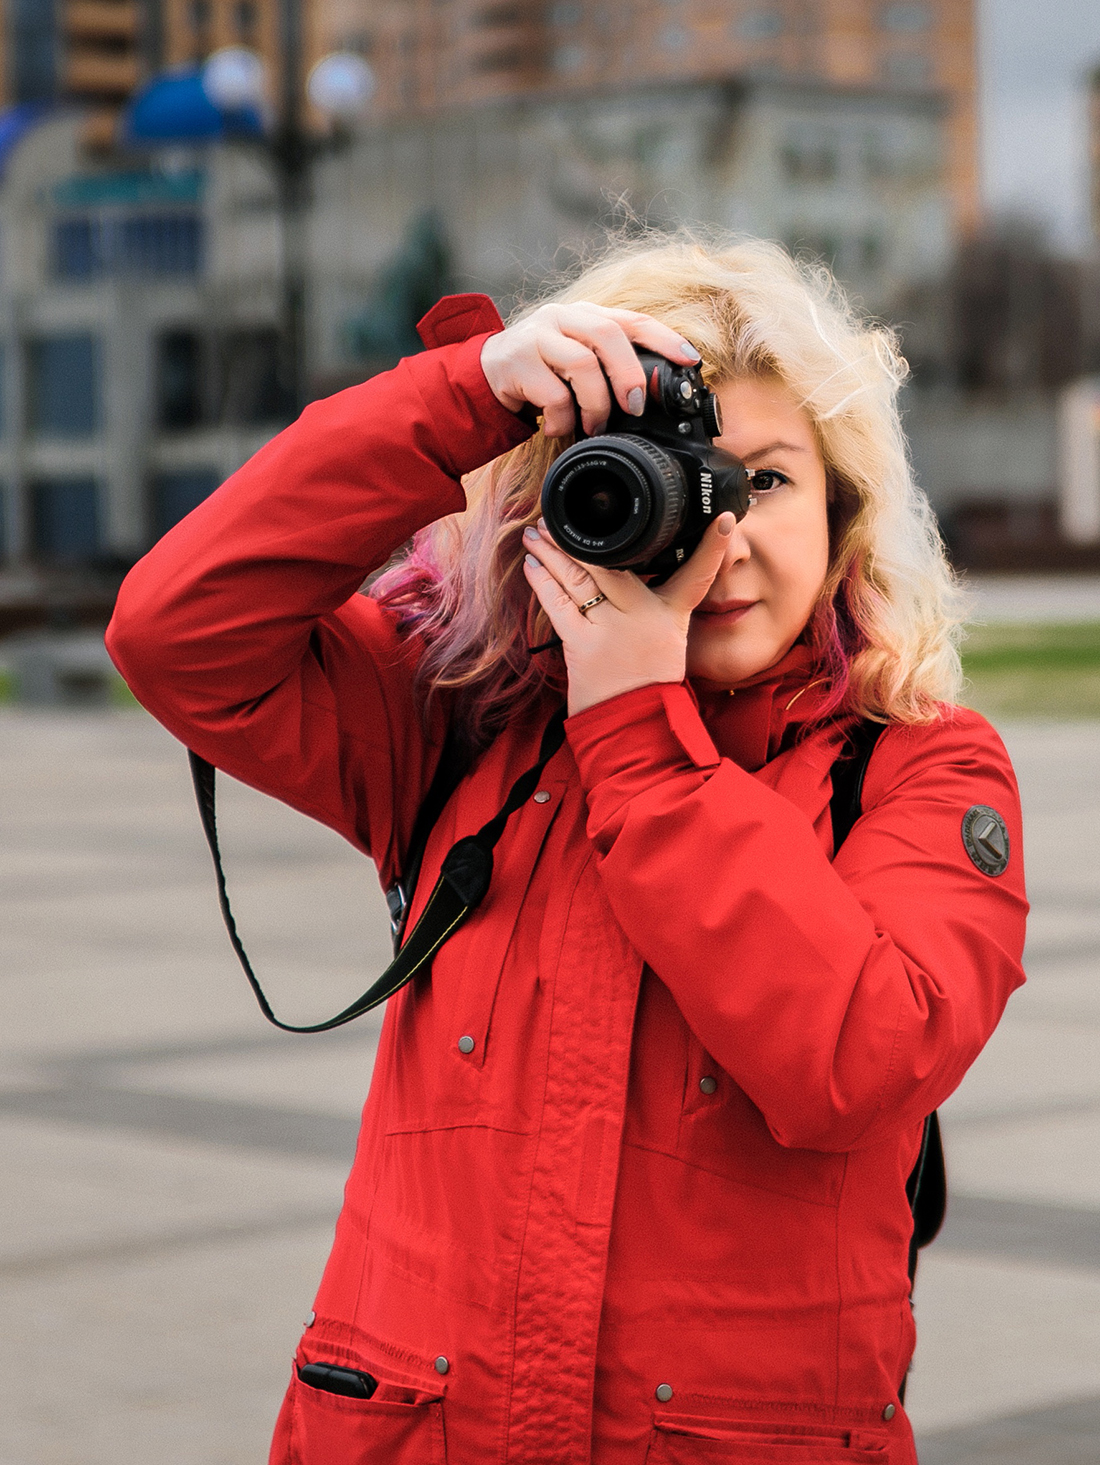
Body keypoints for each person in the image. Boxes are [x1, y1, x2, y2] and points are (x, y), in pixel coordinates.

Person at [107, 234, 1028, 1465]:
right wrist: (465, 397)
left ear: (843, 511)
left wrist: (635, 724)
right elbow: (177, 633)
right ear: (560, 499)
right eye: (664, 480)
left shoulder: (918, 764)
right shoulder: (458, 715)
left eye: (764, 483)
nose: (722, 538)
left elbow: (858, 1060)